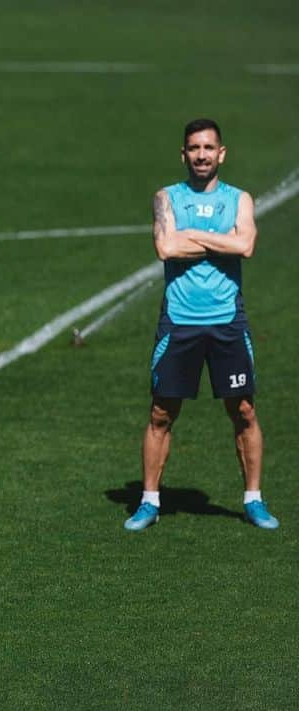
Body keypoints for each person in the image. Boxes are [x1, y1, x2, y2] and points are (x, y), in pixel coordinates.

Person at [125, 118, 278, 531]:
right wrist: (218, 239)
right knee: (161, 413)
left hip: (227, 321)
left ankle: (253, 499)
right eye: (194, 148)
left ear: (221, 153)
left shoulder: (240, 199)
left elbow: (245, 245)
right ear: (183, 154)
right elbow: (165, 247)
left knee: (243, 410)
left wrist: (192, 234)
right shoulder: (166, 197)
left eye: (208, 148)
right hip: (180, 322)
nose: (201, 155)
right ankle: (150, 500)